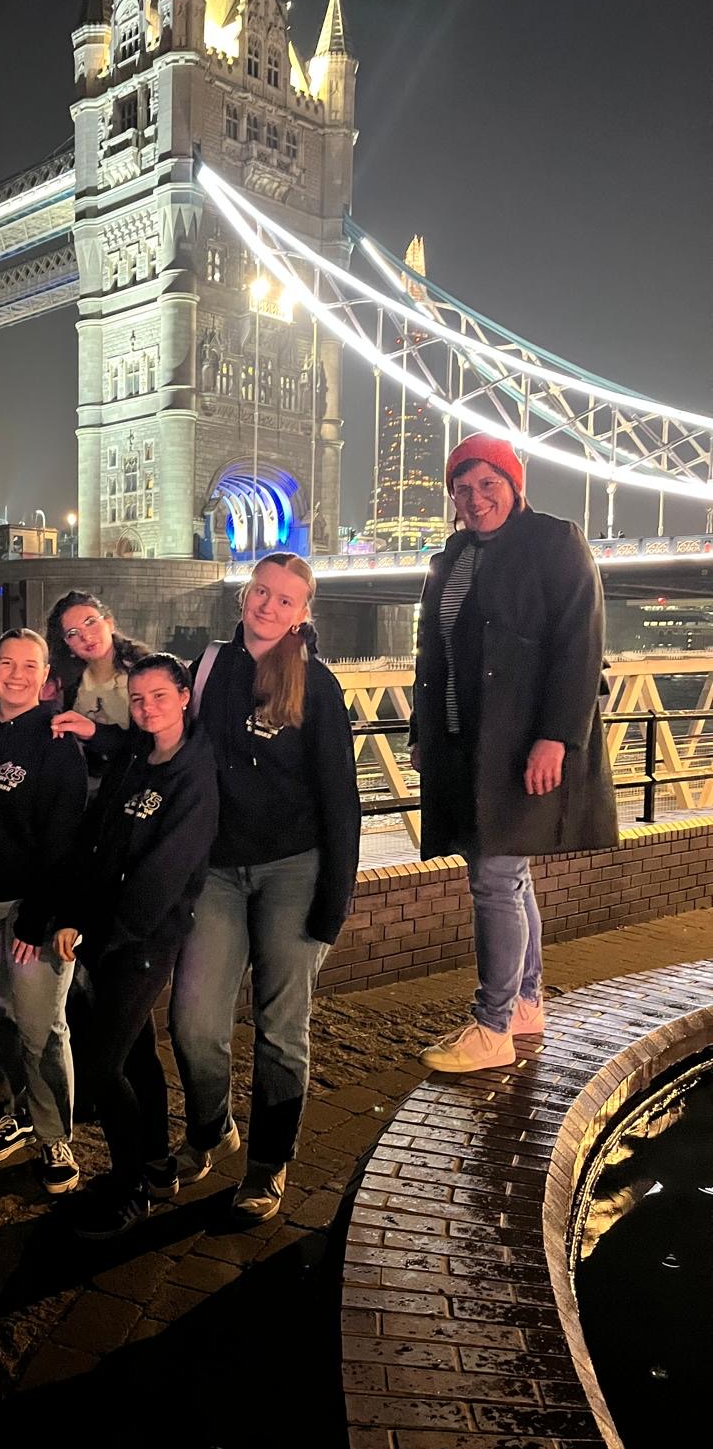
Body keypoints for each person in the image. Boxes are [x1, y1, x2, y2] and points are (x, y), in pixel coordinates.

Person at [411, 433, 617, 1072]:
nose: (475, 499)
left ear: (514, 485)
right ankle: (525, 1003)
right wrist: (421, 732)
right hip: (462, 741)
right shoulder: (452, 555)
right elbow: (430, 652)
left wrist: (557, 737)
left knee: (494, 877)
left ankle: (492, 1026)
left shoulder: (556, 542)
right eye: (462, 488)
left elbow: (580, 645)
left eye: (488, 484)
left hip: (517, 741)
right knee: (508, 874)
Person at [169, 552, 360, 1224]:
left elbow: (341, 797)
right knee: (194, 1022)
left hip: (293, 870)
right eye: (261, 592)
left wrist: (334, 901)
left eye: (285, 599)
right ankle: (211, 1127)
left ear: (303, 613)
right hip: (218, 870)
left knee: (281, 1029)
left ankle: (267, 1164)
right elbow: (162, 738)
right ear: (243, 595)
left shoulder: (316, 683)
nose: (269, 606)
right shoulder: (208, 668)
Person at [54, 654, 219, 1240]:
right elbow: (97, 838)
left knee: (101, 1065)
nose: (148, 708)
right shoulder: (133, 756)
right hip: (105, 932)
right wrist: (76, 914)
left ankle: (129, 1191)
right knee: (137, 1055)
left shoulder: (194, 773)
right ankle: (155, 1165)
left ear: (184, 697)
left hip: (144, 938)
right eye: (139, 698)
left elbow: (165, 872)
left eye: (160, 696)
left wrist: (111, 934)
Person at [0, 629, 88, 1196]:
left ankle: (55, 1136)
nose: (17, 675)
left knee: (41, 1026)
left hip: (34, 912)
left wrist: (39, 918)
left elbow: (65, 840)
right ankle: (19, 1110)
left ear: (46, 676)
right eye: (7, 663)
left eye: (30, 665)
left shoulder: (56, 742)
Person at [45, 590, 149, 780]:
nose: (85, 637)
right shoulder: (66, 683)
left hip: (131, 783)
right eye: (73, 633)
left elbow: (150, 744)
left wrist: (95, 732)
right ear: (67, 644)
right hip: (78, 782)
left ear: (109, 623)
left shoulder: (145, 674)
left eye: (90, 622)